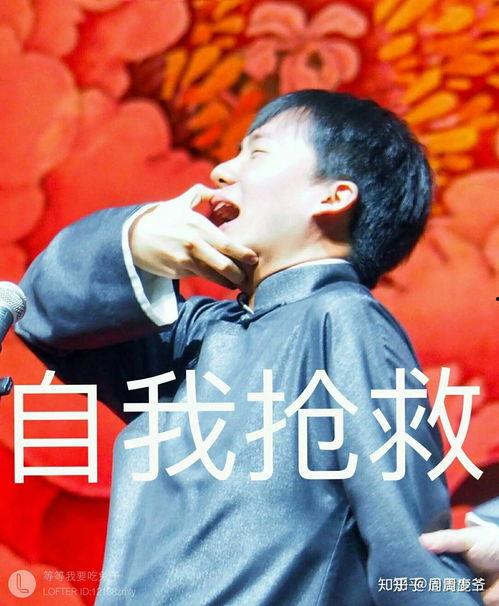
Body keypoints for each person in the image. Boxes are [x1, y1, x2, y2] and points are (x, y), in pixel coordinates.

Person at [16, 90, 484, 605]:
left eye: (256, 153)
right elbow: (44, 317)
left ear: (332, 197)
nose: (221, 172)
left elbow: (408, 545)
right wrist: (133, 242)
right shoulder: (197, 336)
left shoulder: (343, 320)